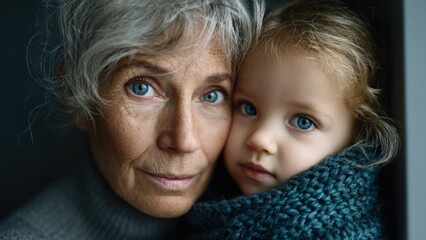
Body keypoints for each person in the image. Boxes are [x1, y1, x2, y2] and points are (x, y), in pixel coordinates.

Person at [0, 0, 264, 239]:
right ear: (76, 96)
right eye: (142, 88)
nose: (184, 140)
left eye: (212, 95)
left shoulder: (263, 214)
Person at [186, 0, 400, 239]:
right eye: (248, 108)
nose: (260, 139)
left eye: (303, 122)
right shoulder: (208, 201)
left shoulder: (337, 232)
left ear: (354, 137)